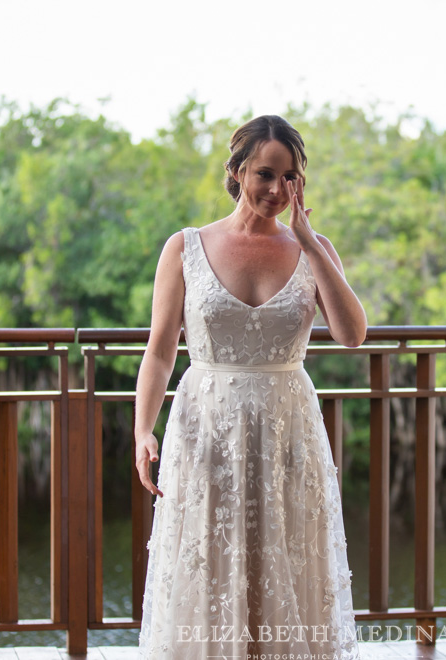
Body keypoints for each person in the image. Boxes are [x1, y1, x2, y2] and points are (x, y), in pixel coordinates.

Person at [134, 115, 366, 659]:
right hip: (207, 430)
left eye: (289, 178)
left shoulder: (312, 247)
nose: (277, 190)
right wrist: (144, 428)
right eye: (264, 174)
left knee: (283, 561)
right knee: (214, 563)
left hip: (289, 433)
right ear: (237, 172)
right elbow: (161, 349)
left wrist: (310, 243)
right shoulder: (185, 247)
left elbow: (352, 334)